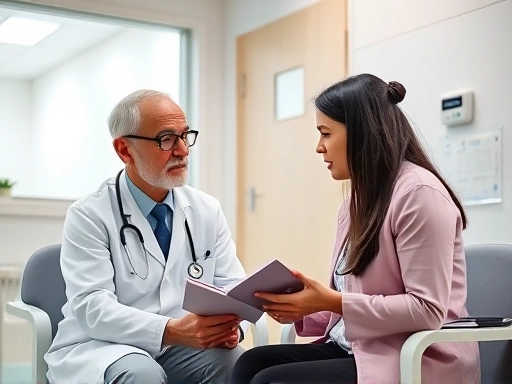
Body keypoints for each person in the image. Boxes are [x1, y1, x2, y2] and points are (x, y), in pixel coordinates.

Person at [230, 74, 481, 384]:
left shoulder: (419, 194)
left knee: (272, 381)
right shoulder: (356, 202)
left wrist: (328, 300)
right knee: (249, 364)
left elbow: (426, 310)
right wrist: (302, 309)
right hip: (362, 348)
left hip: (413, 360)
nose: (319, 148)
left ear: (361, 133)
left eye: (325, 133)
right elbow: (357, 298)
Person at [45, 90, 247, 384]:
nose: (183, 151)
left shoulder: (206, 209)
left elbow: (231, 285)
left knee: (237, 362)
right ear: (125, 150)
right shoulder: (90, 214)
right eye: (166, 139)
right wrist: (171, 330)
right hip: (105, 346)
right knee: (142, 375)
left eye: (184, 135)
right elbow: (92, 307)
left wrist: (228, 328)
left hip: (181, 346)